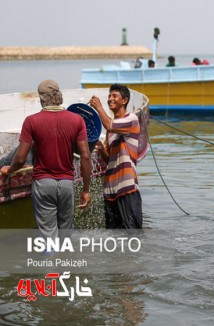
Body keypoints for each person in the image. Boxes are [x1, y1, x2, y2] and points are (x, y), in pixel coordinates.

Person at [0, 79, 91, 239]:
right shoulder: (77, 120)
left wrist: (9, 169)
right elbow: (85, 156)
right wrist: (85, 190)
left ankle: (49, 263)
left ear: (41, 98)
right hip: (66, 183)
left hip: (43, 183)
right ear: (59, 96)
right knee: (65, 235)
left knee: (48, 238)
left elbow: (20, 158)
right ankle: (65, 262)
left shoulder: (31, 121)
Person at [89, 84, 143, 229]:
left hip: (127, 187)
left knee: (133, 235)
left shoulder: (131, 119)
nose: (110, 99)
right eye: (109, 96)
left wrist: (98, 108)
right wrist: (101, 149)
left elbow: (109, 124)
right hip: (110, 190)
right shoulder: (111, 130)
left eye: (114, 96)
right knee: (113, 236)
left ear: (124, 100)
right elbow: (109, 161)